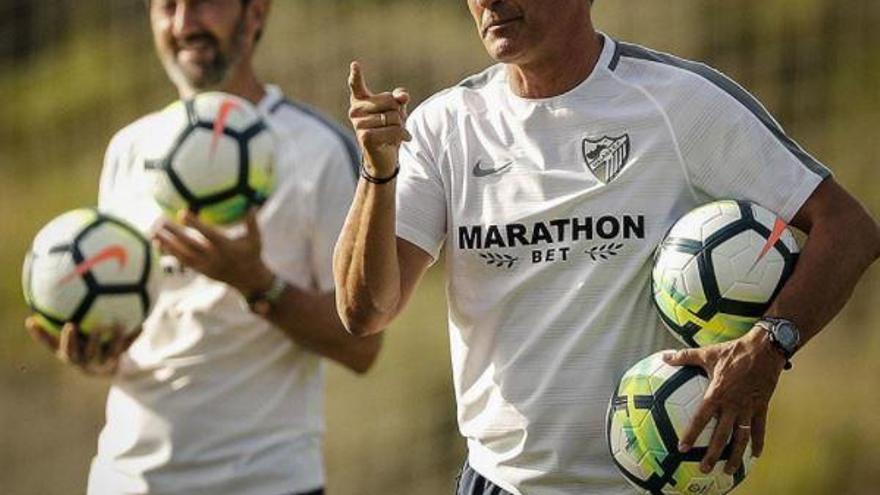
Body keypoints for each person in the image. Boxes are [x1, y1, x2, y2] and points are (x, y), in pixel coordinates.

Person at [333, 0, 880, 493]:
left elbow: (848, 230)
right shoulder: (441, 128)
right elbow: (365, 311)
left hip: (651, 482)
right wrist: (377, 174)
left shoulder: (678, 102)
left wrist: (768, 344)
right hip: (498, 482)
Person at [25, 1, 382, 494]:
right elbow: (145, 336)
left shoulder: (319, 150)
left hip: (266, 483)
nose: (184, 23)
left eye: (204, 2)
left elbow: (362, 346)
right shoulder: (130, 148)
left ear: (255, 13)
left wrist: (257, 284)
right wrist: (99, 355)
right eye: (167, 6)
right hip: (125, 479)